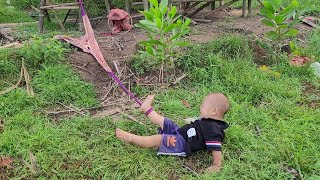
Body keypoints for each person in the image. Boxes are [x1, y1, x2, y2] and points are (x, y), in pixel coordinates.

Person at [116, 93, 230, 173]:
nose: (200, 107)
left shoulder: (213, 129)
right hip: (180, 132)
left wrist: (216, 164)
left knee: (159, 139)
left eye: (203, 105)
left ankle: (131, 138)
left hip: (182, 143)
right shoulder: (208, 120)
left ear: (214, 111)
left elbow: (216, 147)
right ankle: (146, 108)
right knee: (165, 121)